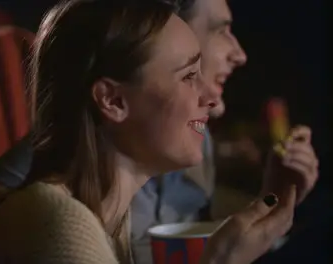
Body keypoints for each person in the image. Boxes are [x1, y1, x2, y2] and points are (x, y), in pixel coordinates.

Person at [0, 1, 297, 263]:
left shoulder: (112, 219)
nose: (210, 100)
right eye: (187, 76)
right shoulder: (59, 223)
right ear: (111, 101)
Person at [130, 0, 319, 263]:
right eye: (221, 31)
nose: (240, 55)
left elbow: (202, 247)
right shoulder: (78, 207)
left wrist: (277, 201)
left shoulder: (199, 138)